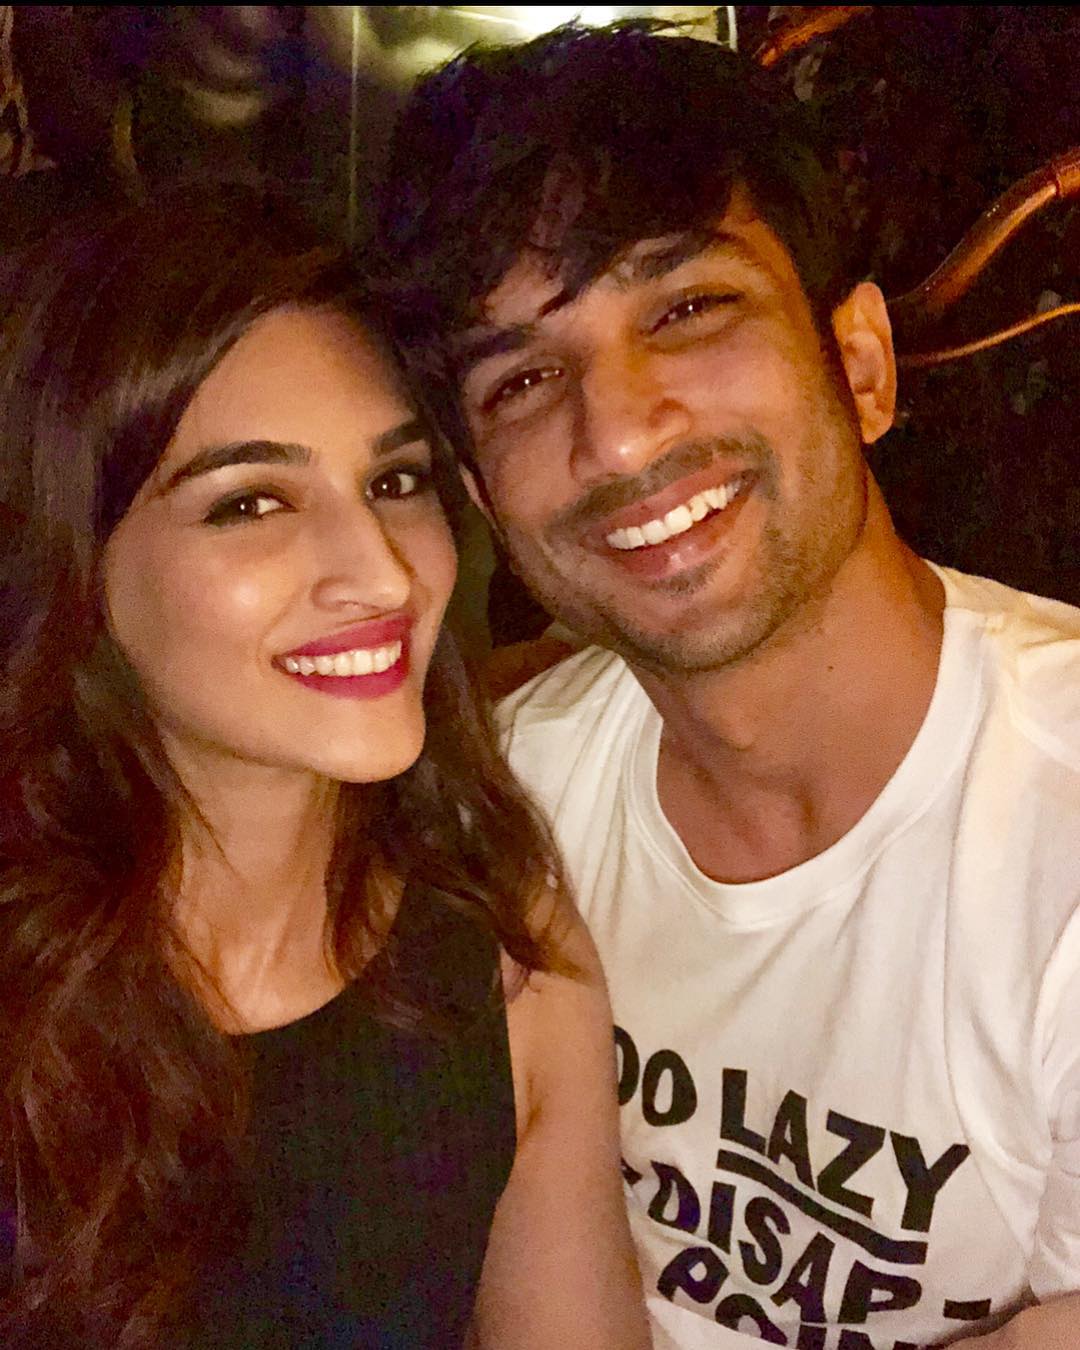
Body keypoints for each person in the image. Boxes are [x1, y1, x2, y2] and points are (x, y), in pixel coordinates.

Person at [381, 22, 1080, 1350]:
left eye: (687, 309)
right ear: (482, 497)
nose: (617, 431)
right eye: (523, 377)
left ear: (859, 365)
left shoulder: (1057, 834)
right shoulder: (501, 813)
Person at [0, 185, 650, 1350]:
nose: (384, 575)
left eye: (395, 483)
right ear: (77, 561)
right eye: (252, 502)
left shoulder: (508, 954)